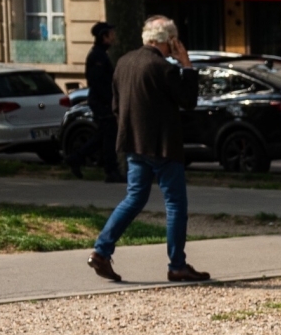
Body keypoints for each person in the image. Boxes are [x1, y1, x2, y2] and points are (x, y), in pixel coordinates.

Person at [86, 15, 208, 283]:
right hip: (163, 146)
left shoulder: (124, 62)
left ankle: (101, 251)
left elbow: (116, 105)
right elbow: (188, 100)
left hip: (133, 143)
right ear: (170, 40)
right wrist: (186, 64)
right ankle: (177, 265)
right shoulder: (163, 68)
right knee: (175, 205)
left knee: (133, 199)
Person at [72, 22, 121, 181]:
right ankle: (110, 171)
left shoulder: (101, 54)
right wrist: (110, 102)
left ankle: (76, 158)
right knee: (109, 136)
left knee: (103, 135)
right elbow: (98, 83)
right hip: (102, 102)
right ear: (104, 37)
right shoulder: (97, 56)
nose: (113, 38)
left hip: (103, 101)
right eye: (111, 35)